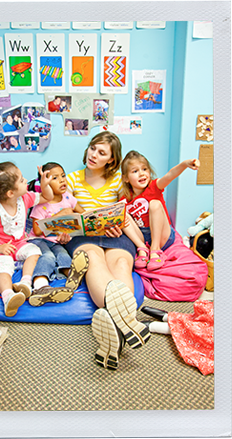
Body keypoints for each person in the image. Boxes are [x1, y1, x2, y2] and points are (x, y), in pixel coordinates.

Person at [65, 131, 151, 370]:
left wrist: (137, 241)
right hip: (84, 236)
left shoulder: (117, 181)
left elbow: (126, 212)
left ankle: (115, 327)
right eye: (93, 148)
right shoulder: (71, 179)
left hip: (115, 234)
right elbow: (64, 211)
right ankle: (127, 324)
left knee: (122, 264)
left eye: (102, 153)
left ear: (111, 160)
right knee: (93, 260)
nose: (93, 154)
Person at [0, 161, 72, 318]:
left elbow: (47, 197)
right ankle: (8, 297)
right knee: (4, 267)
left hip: (18, 243)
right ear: (10, 193)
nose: (26, 180)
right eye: (21, 180)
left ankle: (25, 283)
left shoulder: (25, 199)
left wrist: (45, 183)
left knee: (35, 251)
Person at [121, 150, 200, 271]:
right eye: (135, 171)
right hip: (142, 236)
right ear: (126, 178)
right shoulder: (125, 199)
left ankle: (155, 249)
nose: (141, 174)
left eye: (144, 169)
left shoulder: (154, 186)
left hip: (162, 235)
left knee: (155, 204)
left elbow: (170, 174)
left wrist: (185, 164)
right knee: (121, 213)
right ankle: (142, 249)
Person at [27, 162, 87, 307]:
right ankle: (40, 287)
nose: (62, 180)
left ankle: (72, 280)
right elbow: (37, 230)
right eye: (55, 178)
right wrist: (60, 215)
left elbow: (83, 215)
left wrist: (70, 232)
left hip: (56, 242)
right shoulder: (42, 203)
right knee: (47, 257)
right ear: (45, 182)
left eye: (63, 175)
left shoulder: (68, 198)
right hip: (38, 240)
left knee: (64, 256)